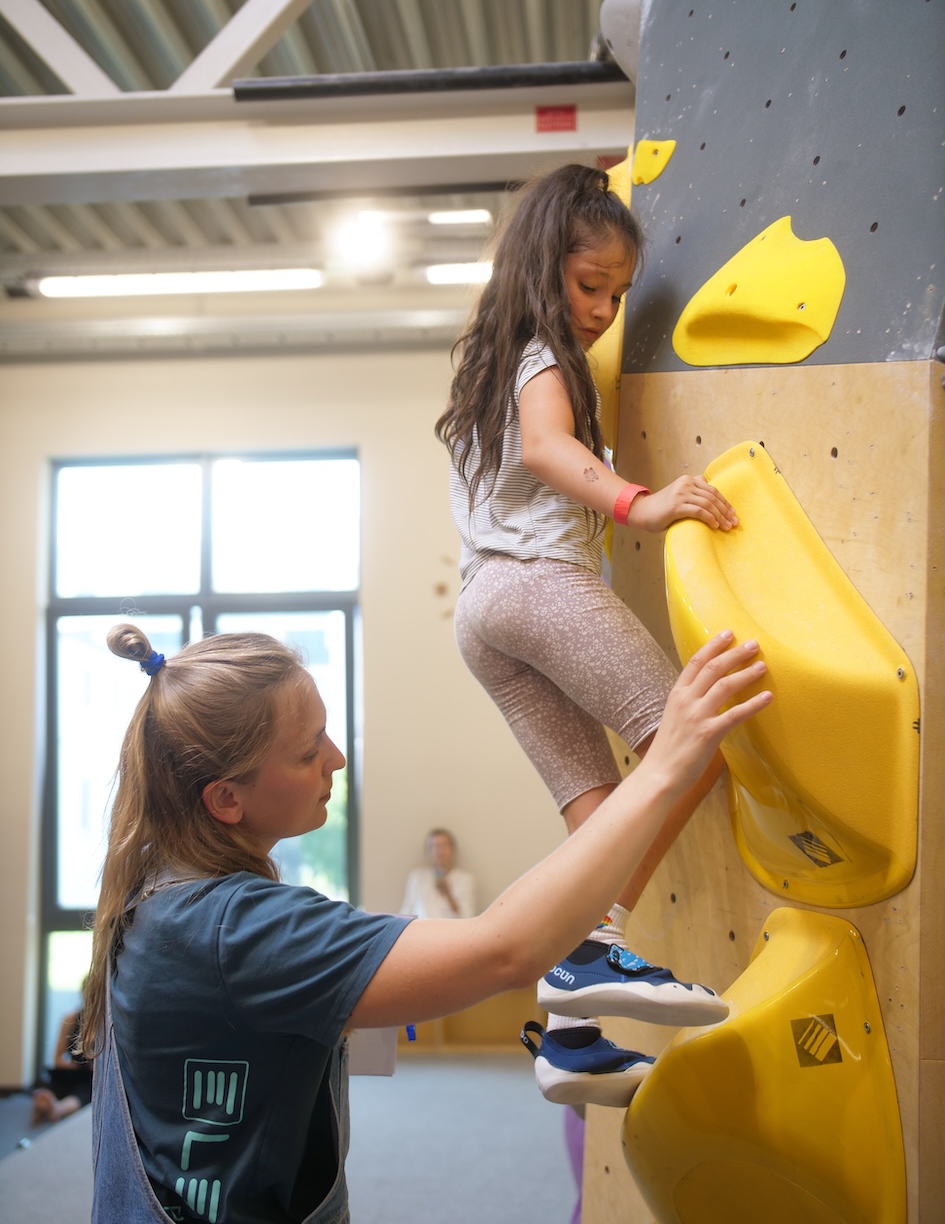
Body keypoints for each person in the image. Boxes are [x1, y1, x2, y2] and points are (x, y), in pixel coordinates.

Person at [82, 621, 769, 1224]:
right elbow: (505, 950)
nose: (336, 760)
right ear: (226, 798)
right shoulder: (233, 928)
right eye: (307, 751)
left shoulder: (157, 891)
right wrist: (662, 768)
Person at [435, 163, 741, 1103]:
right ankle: (581, 954)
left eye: (615, 291)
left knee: (596, 815)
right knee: (688, 750)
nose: (604, 308)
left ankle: (568, 1035)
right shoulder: (539, 359)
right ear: (541, 270)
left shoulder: (489, 359)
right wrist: (639, 501)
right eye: (588, 285)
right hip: (538, 585)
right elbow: (546, 448)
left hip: (483, 610)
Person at [31, 984, 93, 1125]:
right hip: (70, 1071)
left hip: (89, 1078)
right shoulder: (71, 1018)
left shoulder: (104, 1020)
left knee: (83, 1093)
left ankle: (55, 1108)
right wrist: (76, 1066)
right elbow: (57, 1059)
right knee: (62, 1087)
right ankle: (47, 1103)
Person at [400, 827, 477, 919]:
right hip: (420, 930)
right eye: (433, 846)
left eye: (443, 845)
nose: (439, 850)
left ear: (453, 849)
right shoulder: (417, 877)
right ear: (427, 851)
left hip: (451, 931)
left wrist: (448, 894)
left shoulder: (465, 879)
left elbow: (467, 918)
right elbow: (406, 911)